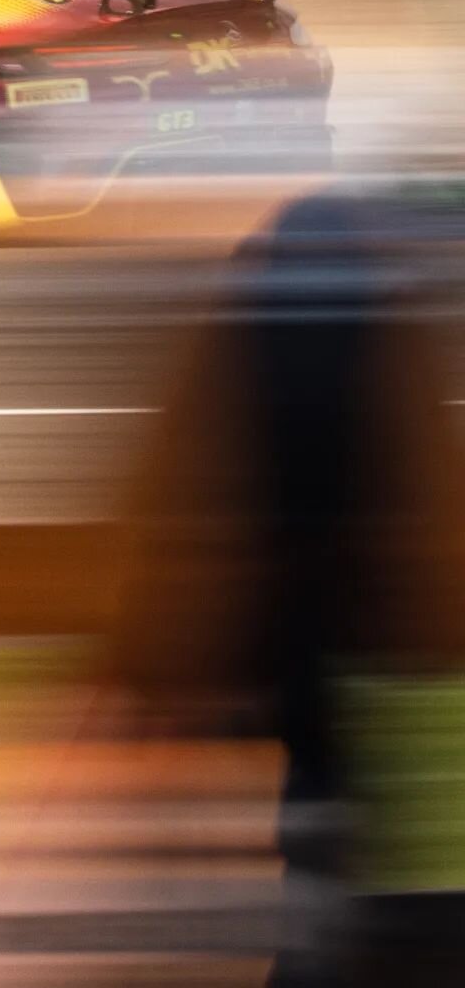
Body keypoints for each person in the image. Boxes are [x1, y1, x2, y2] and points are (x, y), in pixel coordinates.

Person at [107, 185, 465, 985]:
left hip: (267, 637)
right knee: (327, 826)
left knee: (302, 831)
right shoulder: (379, 314)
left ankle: (304, 937)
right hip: (336, 640)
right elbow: (424, 482)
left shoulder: (243, 316)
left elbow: (186, 476)